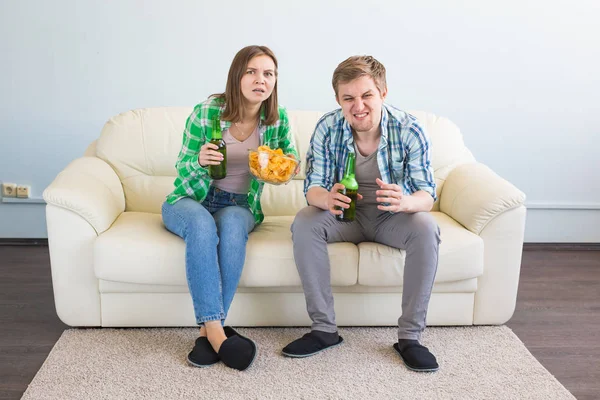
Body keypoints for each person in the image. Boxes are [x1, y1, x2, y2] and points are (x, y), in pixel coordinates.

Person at [282, 55, 441, 372]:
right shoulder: (328, 127)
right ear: (339, 100)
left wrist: (405, 201)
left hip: (391, 218)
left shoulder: (410, 130)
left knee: (426, 227)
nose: (358, 106)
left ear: (382, 92)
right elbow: (312, 187)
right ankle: (324, 330)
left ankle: (410, 338)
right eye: (348, 98)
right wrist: (327, 199)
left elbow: (427, 194)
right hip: (345, 216)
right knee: (304, 222)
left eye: (366, 95)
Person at [162, 45, 297, 371]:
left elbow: (292, 163)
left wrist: (277, 170)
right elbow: (182, 166)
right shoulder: (207, 112)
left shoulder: (276, 120)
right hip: (190, 200)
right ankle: (219, 335)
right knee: (202, 227)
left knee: (234, 229)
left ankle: (208, 332)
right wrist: (199, 160)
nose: (260, 80)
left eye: (268, 74)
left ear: (275, 81)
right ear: (237, 76)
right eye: (251, 71)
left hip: (238, 203)